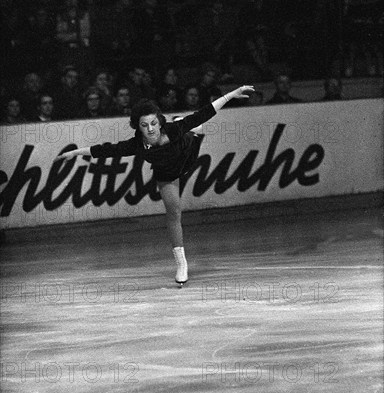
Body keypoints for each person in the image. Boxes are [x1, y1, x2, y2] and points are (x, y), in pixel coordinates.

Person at [55, 85, 255, 287]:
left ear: (159, 122)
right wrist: (74, 153)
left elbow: (205, 112)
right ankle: (181, 264)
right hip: (166, 174)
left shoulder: (173, 130)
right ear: (137, 126)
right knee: (174, 212)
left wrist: (232, 94)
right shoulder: (136, 144)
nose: (150, 129)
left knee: (192, 128)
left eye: (153, 123)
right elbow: (106, 150)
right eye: (144, 125)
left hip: (186, 154)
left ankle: (194, 133)